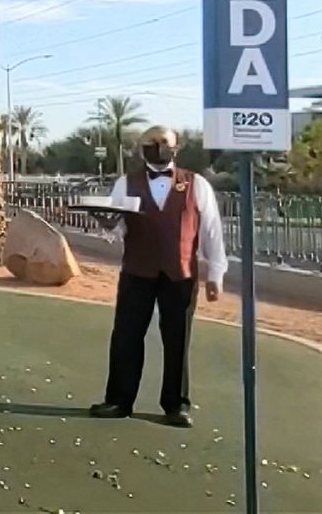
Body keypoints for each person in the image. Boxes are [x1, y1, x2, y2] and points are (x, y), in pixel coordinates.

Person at [90, 126, 226, 428]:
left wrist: (216, 272)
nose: (158, 148)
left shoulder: (197, 184)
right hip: (137, 270)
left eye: (164, 143)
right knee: (126, 335)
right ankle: (118, 401)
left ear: (176, 148)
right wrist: (106, 222)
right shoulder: (126, 183)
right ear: (141, 149)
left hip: (181, 273)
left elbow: (211, 230)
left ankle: (176, 405)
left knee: (177, 339)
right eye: (151, 143)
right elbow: (118, 229)